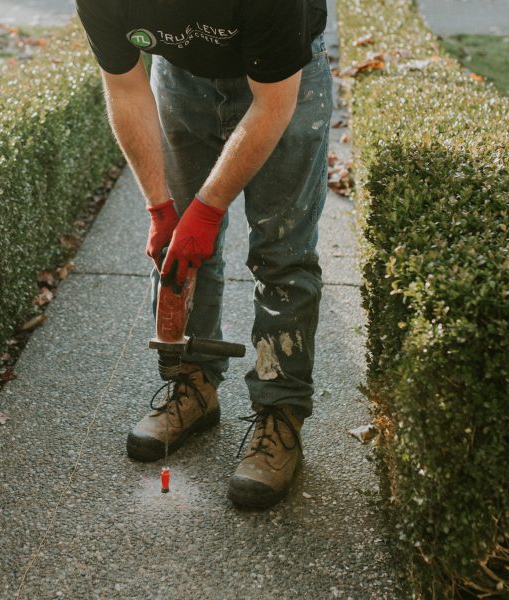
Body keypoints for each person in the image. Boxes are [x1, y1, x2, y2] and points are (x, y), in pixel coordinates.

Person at [76, 0, 332, 509]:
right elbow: (125, 87)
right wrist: (158, 207)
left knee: (282, 252)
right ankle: (192, 387)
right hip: (181, 76)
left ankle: (280, 415)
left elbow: (273, 103)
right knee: (181, 251)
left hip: (283, 80)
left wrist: (209, 210)